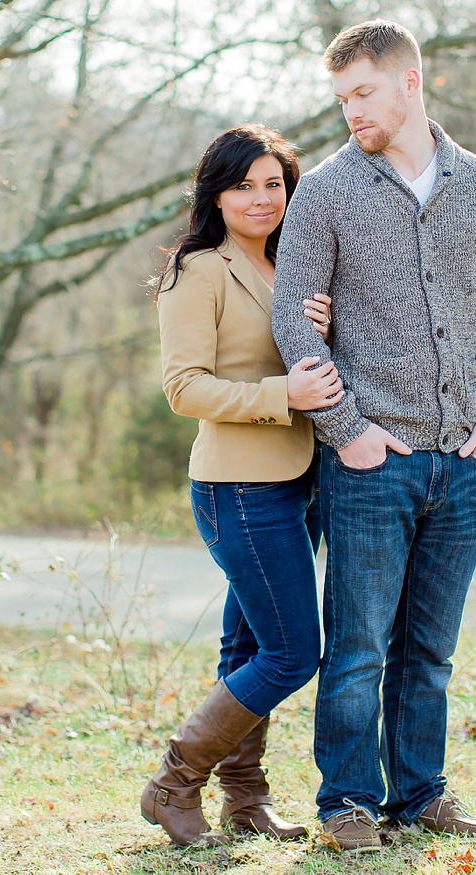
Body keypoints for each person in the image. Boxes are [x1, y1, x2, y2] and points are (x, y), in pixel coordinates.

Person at [270, 19, 476, 852]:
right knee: (357, 648)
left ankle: (421, 794)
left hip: (458, 466)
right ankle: (346, 802)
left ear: (411, 82)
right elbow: (294, 319)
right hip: (370, 463)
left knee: (431, 650)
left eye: (363, 92)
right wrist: (346, 432)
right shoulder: (329, 191)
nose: (351, 109)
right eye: (341, 96)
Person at [143, 124, 341, 847]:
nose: (261, 198)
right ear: (216, 194)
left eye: (273, 184)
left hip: (299, 480)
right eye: (243, 184)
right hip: (240, 488)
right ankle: (173, 781)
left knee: (248, 646)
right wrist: (280, 391)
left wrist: (324, 324)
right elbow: (183, 387)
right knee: (292, 652)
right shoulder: (198, 271)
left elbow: (314, 363)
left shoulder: (295, 266)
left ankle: (246, 799)